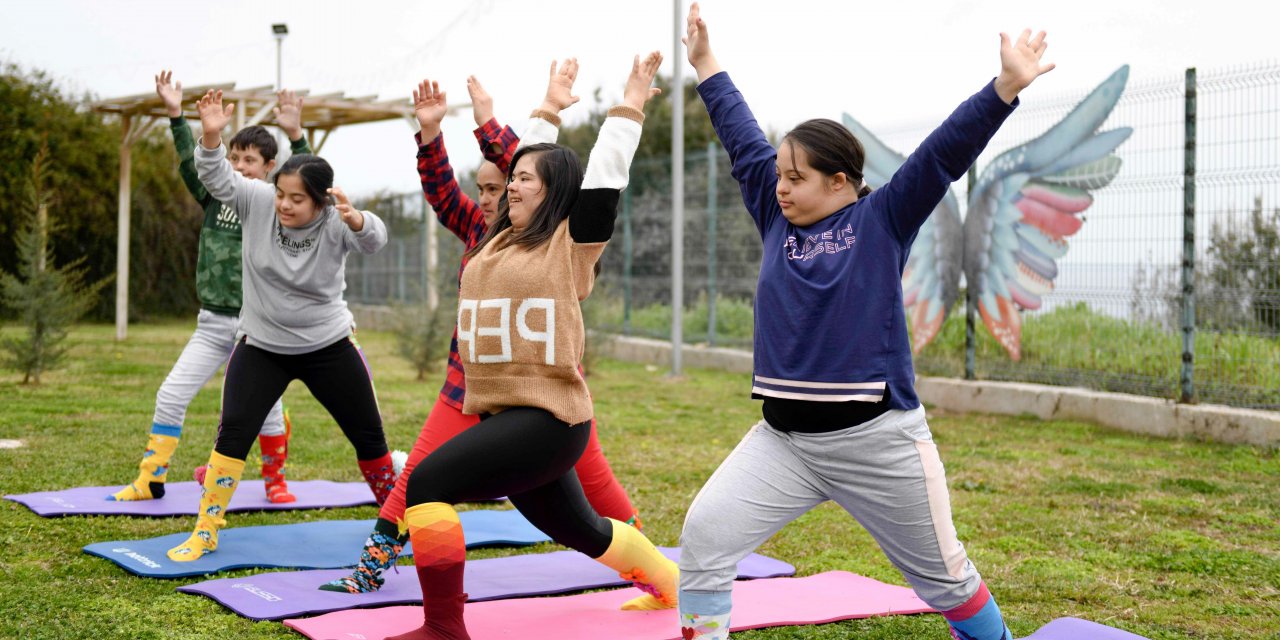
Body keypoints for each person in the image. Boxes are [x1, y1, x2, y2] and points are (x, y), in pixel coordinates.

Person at [675, 5, 1054, 639]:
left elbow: (941, 155)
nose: (783, 189)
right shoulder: (775, 218)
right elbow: (742, 138)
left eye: (797, 179)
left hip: (877, 442)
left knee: (946, 581)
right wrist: (707, 65)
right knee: (705, 538)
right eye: (779, 178)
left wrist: (1005, 88)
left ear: (843, 182)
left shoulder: (880, 222)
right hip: (783, 442)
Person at [322, 61, 642, 595]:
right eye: (491, 186)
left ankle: (647, 567)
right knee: (417, 478)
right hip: (467, 385)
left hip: (545, 394)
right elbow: (450, 188)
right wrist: (430, 134)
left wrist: (525, 113)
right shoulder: (482, 227)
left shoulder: (557, 237)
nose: (497, 194)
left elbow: (551, 171)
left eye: (508, 184)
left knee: (597, 493)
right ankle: (370, 571)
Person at [386, 52, 675, 640]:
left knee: (426, 485)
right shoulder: (497, 237)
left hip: (548, 419)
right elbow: (526, 158)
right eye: (509, 178)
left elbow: (606, 170)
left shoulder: (569, 247)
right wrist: (546, 107)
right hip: (511, 417)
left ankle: (444, 629)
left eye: (521, 180)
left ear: (553, 195)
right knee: (586, 531)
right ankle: (673, 583)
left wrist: (632, 102)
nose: (507, 184)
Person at [165, 88, 395, 562]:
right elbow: (213, 175)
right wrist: (209, 136)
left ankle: (395, 525)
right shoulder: (255, 200)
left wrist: (357, 220)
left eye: (296, 200)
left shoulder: (336, 221)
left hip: (328, 346)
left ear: (322, 202)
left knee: (370, 438)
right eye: (281, 195)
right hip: (262, 346)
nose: (285, 206)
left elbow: (376, 239)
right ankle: (206, 529)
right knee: (232, 434)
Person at [110, 71, 309, 504]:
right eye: (234, 159)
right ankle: (150, 478)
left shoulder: (276, 208)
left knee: (268, 411)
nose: (239, 167)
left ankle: (275, 481)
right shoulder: (215, 198)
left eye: (249, 161)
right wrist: (177, 116)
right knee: (170, 394)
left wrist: (296, 135)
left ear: (269, 169)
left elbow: (310, 181)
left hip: (256, 329)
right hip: (211, 323)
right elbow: (189, 161)